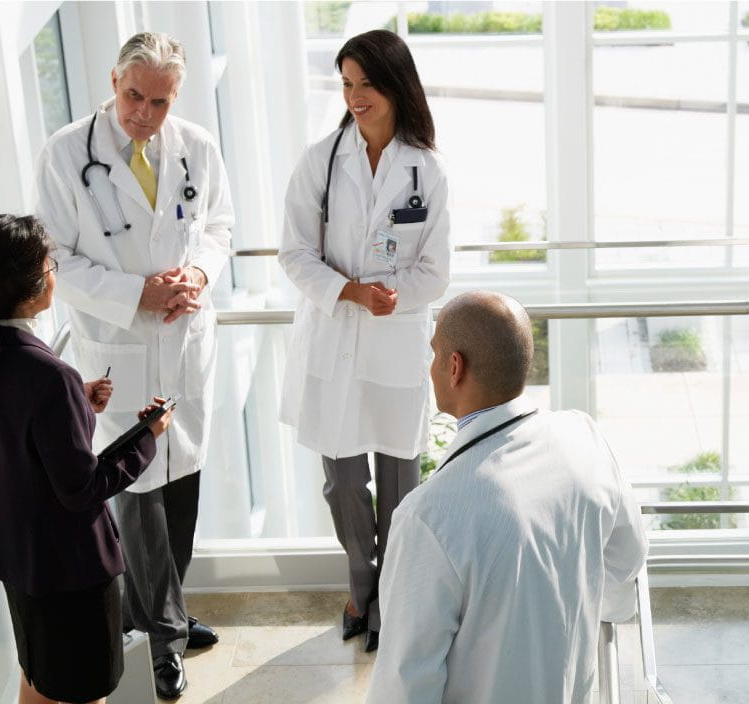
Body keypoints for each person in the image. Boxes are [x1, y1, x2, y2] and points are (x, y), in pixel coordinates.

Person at [33, 31, 232, 700]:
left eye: (160, 102)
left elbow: (218, 226)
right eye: (133, 97)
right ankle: (165, 643)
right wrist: (137, 294)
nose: (144, 114)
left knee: (181, 487)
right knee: (138, 496)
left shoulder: (195, 146)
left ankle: (157, 611)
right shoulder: (66, 155)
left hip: (182, 338)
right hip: (117, 346)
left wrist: (197, 275)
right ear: (114, 81)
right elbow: (55, 255)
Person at [368, 291, 649, 704]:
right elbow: (627, 559)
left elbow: (404, 686)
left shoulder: (428, 517)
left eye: (434, 355)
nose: (430, 368)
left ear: (454, 367)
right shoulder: (584, 437)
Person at [0, 214, 172, 704]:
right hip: (70, 571)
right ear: (29, 287)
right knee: (85, 693)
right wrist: (147, 436)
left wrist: (75, 407)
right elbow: (82, 490)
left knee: (38, 681)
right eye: (50, 266)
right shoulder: (49, 376)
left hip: (16, 556)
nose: (54, 273)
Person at [278, 29, 452, 653]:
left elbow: (436, 271)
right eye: (346, 84)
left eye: (366, 84)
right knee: (344, 483)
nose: (354, 96)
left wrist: (390, 296)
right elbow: (294, 255)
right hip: (334, 343)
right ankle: (362, 585)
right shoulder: (321, 161)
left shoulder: (425, 170)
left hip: (396, 345)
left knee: (401, 487)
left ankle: (392, 601)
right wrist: (353, 293)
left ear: (395, 85)